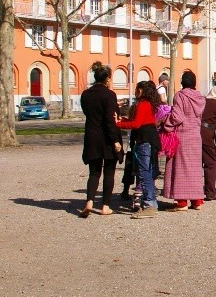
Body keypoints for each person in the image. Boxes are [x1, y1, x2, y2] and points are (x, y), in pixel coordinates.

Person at [79, 62, 123, 217]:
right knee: (109, 172)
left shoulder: (85, 94)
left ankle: (89, 202)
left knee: (94, 172)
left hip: (91, 135)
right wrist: (115, 140)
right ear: (108, 78)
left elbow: (89, 112)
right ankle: (105, 206)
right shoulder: (109, 95)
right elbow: (109, 120)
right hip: (106, 137)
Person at [116, 81, 163, 218]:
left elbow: (136, 124)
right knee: (146, 172)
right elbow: (138, 121)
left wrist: (118, 124)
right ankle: (150, 202)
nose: (135, 91)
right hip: (148, 139)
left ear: (141, 90)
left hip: (145, 140)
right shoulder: (148, 104)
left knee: (144, 173)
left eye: (137, 89)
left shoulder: (143, 104)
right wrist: (122, 120)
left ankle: (149, 204)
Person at [160, 71, 206, 211]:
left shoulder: (180, 95)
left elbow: (178, 116)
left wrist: (165, 123)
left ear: (182, 82)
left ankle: (181, 201)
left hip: (182, 135)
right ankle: (197, 200)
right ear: (194, 83)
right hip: (195, 136)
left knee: (180, 169)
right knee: (194, 170)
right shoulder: (201, 98)